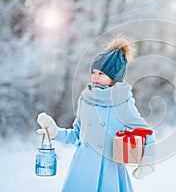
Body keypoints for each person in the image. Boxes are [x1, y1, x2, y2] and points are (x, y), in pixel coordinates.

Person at [36, 35, 156, 192]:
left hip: (109, 172)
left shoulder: (122, 102)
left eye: (101, 73)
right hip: (81, 171)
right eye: (93, 72)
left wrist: (148, 161)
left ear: (114, 78)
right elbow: (78, 136)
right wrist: (55, 132)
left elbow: (147, 132)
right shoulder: (85, 99)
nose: (95, 77)